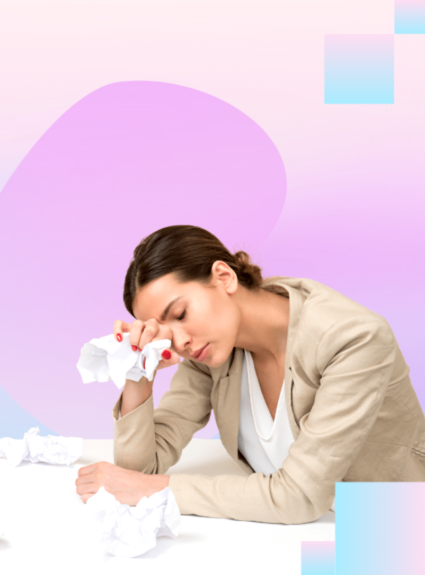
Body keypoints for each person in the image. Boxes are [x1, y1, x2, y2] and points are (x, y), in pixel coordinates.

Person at [75, 225, 425, 524]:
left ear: (224, 277)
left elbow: (300, 496)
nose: (179, 342)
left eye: (180, 313)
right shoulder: (208, 352)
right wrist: (139, 368)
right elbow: (139, 470)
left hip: (391, 525)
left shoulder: (352, 338)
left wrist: (154, 491)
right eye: (164, 333)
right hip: (282, 534)